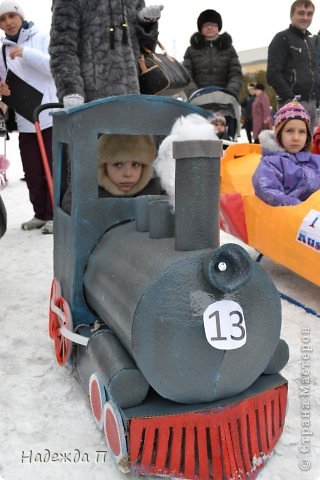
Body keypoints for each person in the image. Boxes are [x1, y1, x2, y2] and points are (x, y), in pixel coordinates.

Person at [0, 0, 58, 234]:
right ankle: (40, 213)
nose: (8, 23)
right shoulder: (2, 49)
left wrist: (26, 52)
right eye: (2, 20)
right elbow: (3, 79)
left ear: (20, 17)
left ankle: (56, 214)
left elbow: (54, 67)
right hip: (25, 118)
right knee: (32, 170)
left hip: (49, 114)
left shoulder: (41, 37)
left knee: (52, 168)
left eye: (11, 16)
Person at [49, 1, 163, 107]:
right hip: (91, 103)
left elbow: (146, 49)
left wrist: (146, 23)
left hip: (133, 99)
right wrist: (71, 89)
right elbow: (62, 48)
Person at [62, 134, 163, 213]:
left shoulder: (155, 189)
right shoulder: (88, 189)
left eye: (135, 164)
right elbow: (69, 204)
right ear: (104, 166)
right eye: (118, 164)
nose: (128, 174)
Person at [252, 102, 320, 206]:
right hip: (289, 217)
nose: (296, 138)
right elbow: (268, 191)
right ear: (279, 134)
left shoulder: (316, 161)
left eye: (301, 132)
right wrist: (300, 208)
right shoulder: (271, 163)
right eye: (290, 131)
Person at [266, 0, 319, 131]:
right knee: (292, 146)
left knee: (311, 147)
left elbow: (315, 74)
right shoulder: (282, 38)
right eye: (301, 13)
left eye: (309, 14)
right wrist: (291, 99)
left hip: (312, 106)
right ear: (292, 15)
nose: (305, 17)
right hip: (291, 104)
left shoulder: (310, 42)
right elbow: (273, 74)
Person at [182, 9, 243, 100]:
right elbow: (186, 76)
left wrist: (229, 94)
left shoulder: (229, 49)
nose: (209, 27)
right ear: (200, 28)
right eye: (206, 25)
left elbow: (236, 75)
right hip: (198, 102)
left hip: (225, 101)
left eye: (213, 24)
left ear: (219, 27)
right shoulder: (191, 50)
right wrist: (195, 94)